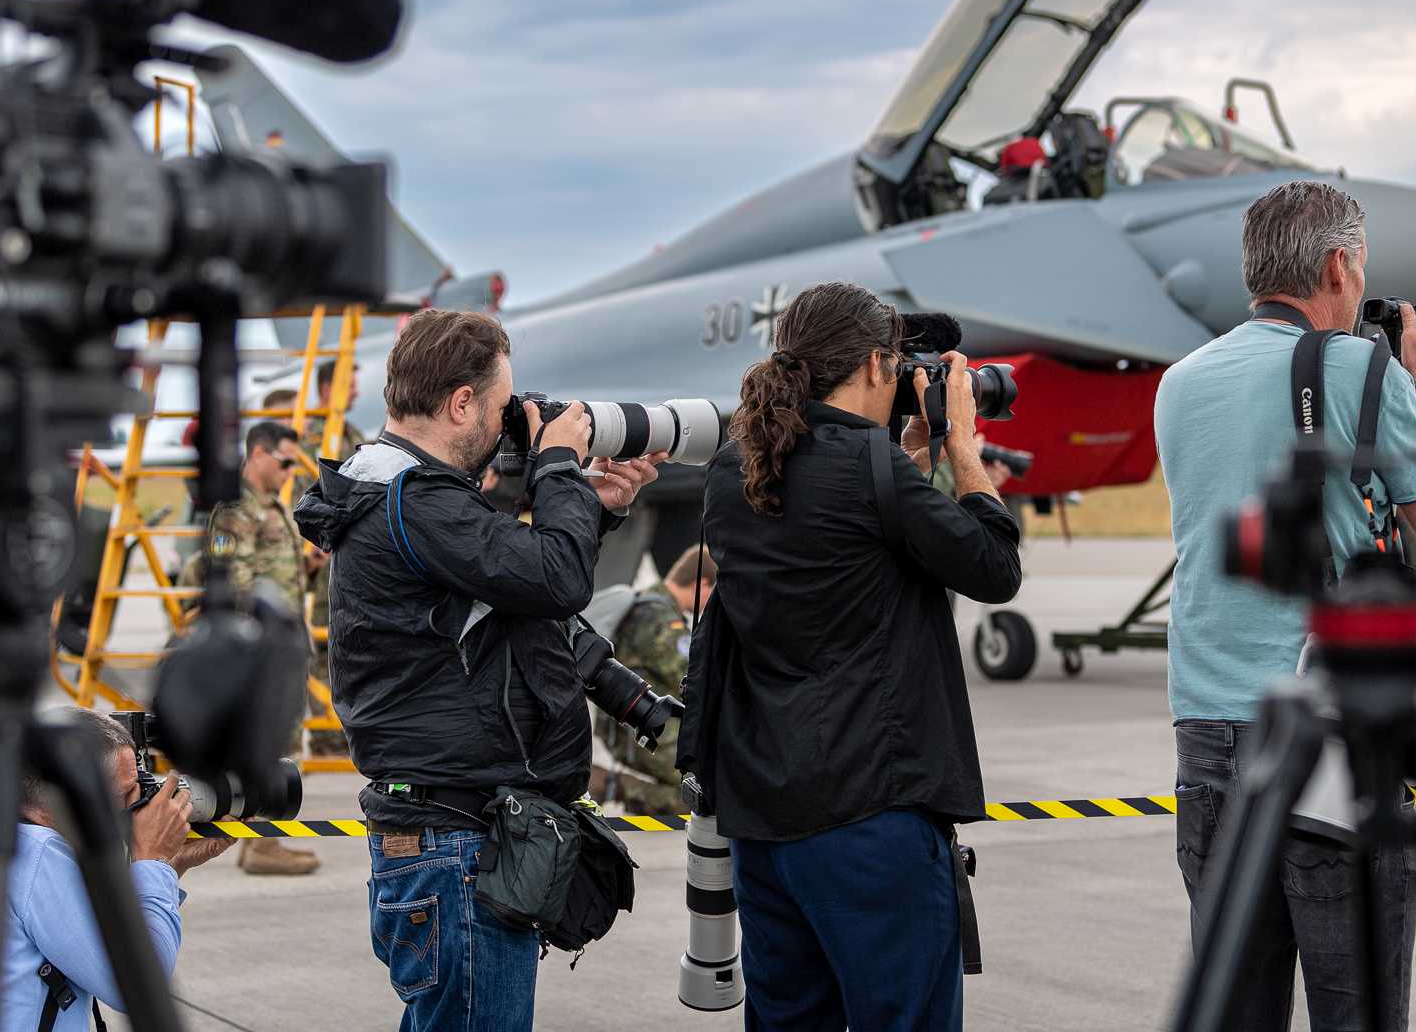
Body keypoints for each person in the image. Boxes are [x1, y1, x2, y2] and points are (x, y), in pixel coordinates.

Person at [1154, 180, 1416, 1030]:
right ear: (1339, 264)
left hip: (1209, 742)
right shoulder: (1351, 368)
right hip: (1332, 744)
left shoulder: (1180, 383)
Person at [292, 309, 661, 1031]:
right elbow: (552, 579)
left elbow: (516, 589)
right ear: (461, 403)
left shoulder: (403, 494)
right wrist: (557, 464)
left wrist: (591, 505)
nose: (505, 427)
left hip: (448, 841)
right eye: (500, 409)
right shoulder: (414, 501)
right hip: (454, 846)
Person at [680, 281, 1023, 1032]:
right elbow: (994, 567)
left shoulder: (736, 470)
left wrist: (901, 462)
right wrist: (960, 447)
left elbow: (837, 538)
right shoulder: (873, 474)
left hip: (765, 824)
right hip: (870, 818)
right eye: (899, 362)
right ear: (875, 365)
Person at [0, 708, 230, 1032]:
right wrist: (151, 860)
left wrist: (168, 865)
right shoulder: (39, 857)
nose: (135, 807)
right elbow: (139, 982)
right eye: (124, 794)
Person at [177, 420, 320, 877]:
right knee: (270, 743)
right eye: (282, 462)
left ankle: (263, 836)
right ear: (257, 454)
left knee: (285, 739)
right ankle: (261, 842)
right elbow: (232, 584)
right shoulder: (236, 510)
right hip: (259, 650)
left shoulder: (270, 507)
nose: (287, 471)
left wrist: (310, 566)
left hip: (280, 645)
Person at [592, 544, 714, 815]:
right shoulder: (659, 618)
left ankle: (615, 785)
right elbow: (689, 677)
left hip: (643, 729)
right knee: (712, 788)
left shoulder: (650, 604)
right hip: (647, 732)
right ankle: (614, 785)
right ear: (702, 584)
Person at [293, 365, 371, 756]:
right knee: (322, 650)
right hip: (318, 559)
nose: (355, 394)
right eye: (349, 385)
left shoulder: (351, 435)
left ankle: (342, 728)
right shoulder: (306, 438)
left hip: (348, 557)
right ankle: (326, 736)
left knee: (348, 643)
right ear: (328, 387)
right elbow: (295, 496)